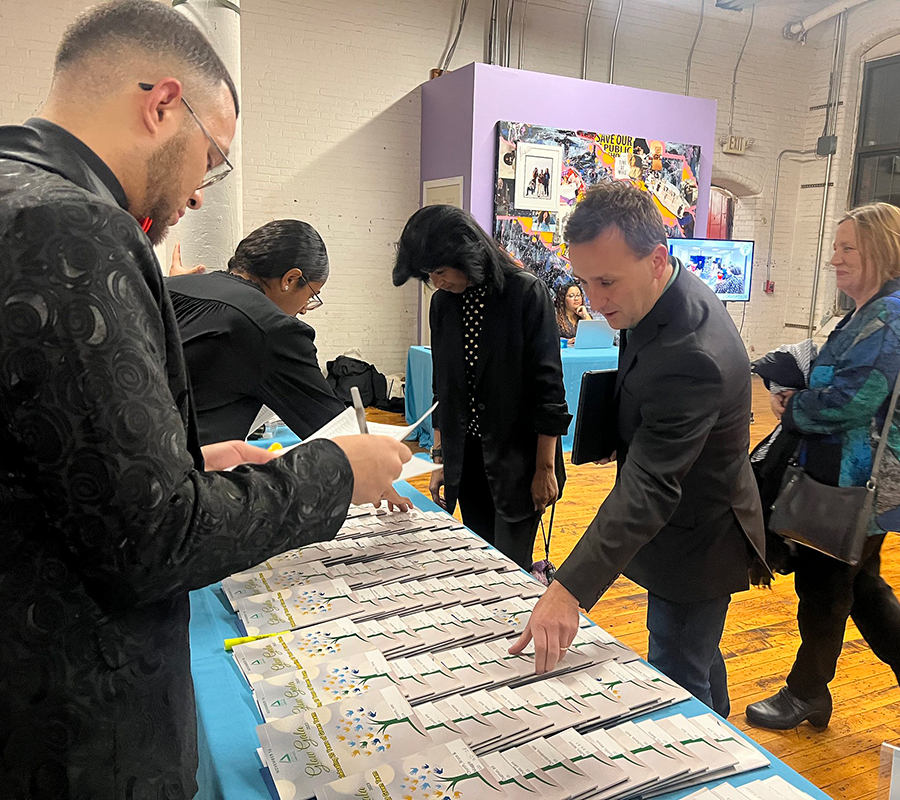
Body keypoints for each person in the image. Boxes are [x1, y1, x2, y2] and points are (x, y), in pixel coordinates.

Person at [0, 3, 409, 798]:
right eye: (212, 157)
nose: (198, 192)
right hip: (75, 730)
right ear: (161, 105)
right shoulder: (72, 226)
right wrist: (335, 471)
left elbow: (55, 461)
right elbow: (157, 539)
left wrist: (182, 459)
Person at [510, 182, 766, 718]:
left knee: (677, 670)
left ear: (656, 259)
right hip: (682, 516)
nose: (595, 301)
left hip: (698, 533)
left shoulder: (692, 352)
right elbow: (645, 382)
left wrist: (568, 591)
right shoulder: (657, 293)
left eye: (606, 282)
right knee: (697, 656)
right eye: (583, 281)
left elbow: (650, 487)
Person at [745, 203, 900, 730]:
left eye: (847, 247)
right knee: (859, 588)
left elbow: (854, 398)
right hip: (845, 480)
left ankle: (806, 692)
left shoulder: (889, 317)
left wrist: (796, 405)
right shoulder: (868, 312)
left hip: (850, 483)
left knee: (824, 586)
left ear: (881, 250)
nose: (834, 258)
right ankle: (811, 692)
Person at [392, 205, 571, 569]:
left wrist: (545, 469)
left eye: (440, 271)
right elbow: (443, 391)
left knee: (511, 567)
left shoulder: (525, 294)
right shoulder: (443, 305)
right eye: (429, 275)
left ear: (467, 254)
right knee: (478, 562)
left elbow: (549, 393)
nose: (437, 282)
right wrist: (441, 459)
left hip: (519, 462)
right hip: (469, 461)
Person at [168, 219, 346, 444]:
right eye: (311, 295)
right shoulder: (274, 328)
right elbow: (333, 429)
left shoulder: (170, 286)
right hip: (189, 469)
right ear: (290, 279)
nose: (304, 309)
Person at [555, 279, 592, 344]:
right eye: (571, 296)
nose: (576, 299)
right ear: (563, 299)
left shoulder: (584, 315)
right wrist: (566, 341)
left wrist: (586, 316)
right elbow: (548, 337)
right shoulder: (555, 316)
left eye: (578, 295)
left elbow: (594, 335)